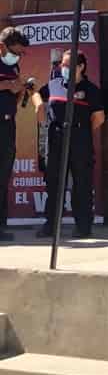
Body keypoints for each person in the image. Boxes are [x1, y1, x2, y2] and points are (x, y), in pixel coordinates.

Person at [33, 50, 105, 238]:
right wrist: (39, 105)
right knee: (54, 183)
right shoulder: (55, 84)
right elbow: (36, 95)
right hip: (56, 136)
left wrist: (81, 132)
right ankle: (51, 225)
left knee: (82, 183)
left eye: (67, 65)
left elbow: (98, 118)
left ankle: (82, 226)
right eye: (62, 65)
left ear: (80, 67)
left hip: (80, 137)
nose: (63, 68)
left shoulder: (91, 90)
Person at [0, 27, 30, 241]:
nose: (18, 57)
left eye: (21, 54)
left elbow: (15, 99)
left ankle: (1, 227)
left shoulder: (14, 67)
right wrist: (8, 85)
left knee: (3, 176)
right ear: (2, 46)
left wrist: (21, 90)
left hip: (8, 125)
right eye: (16, 52)